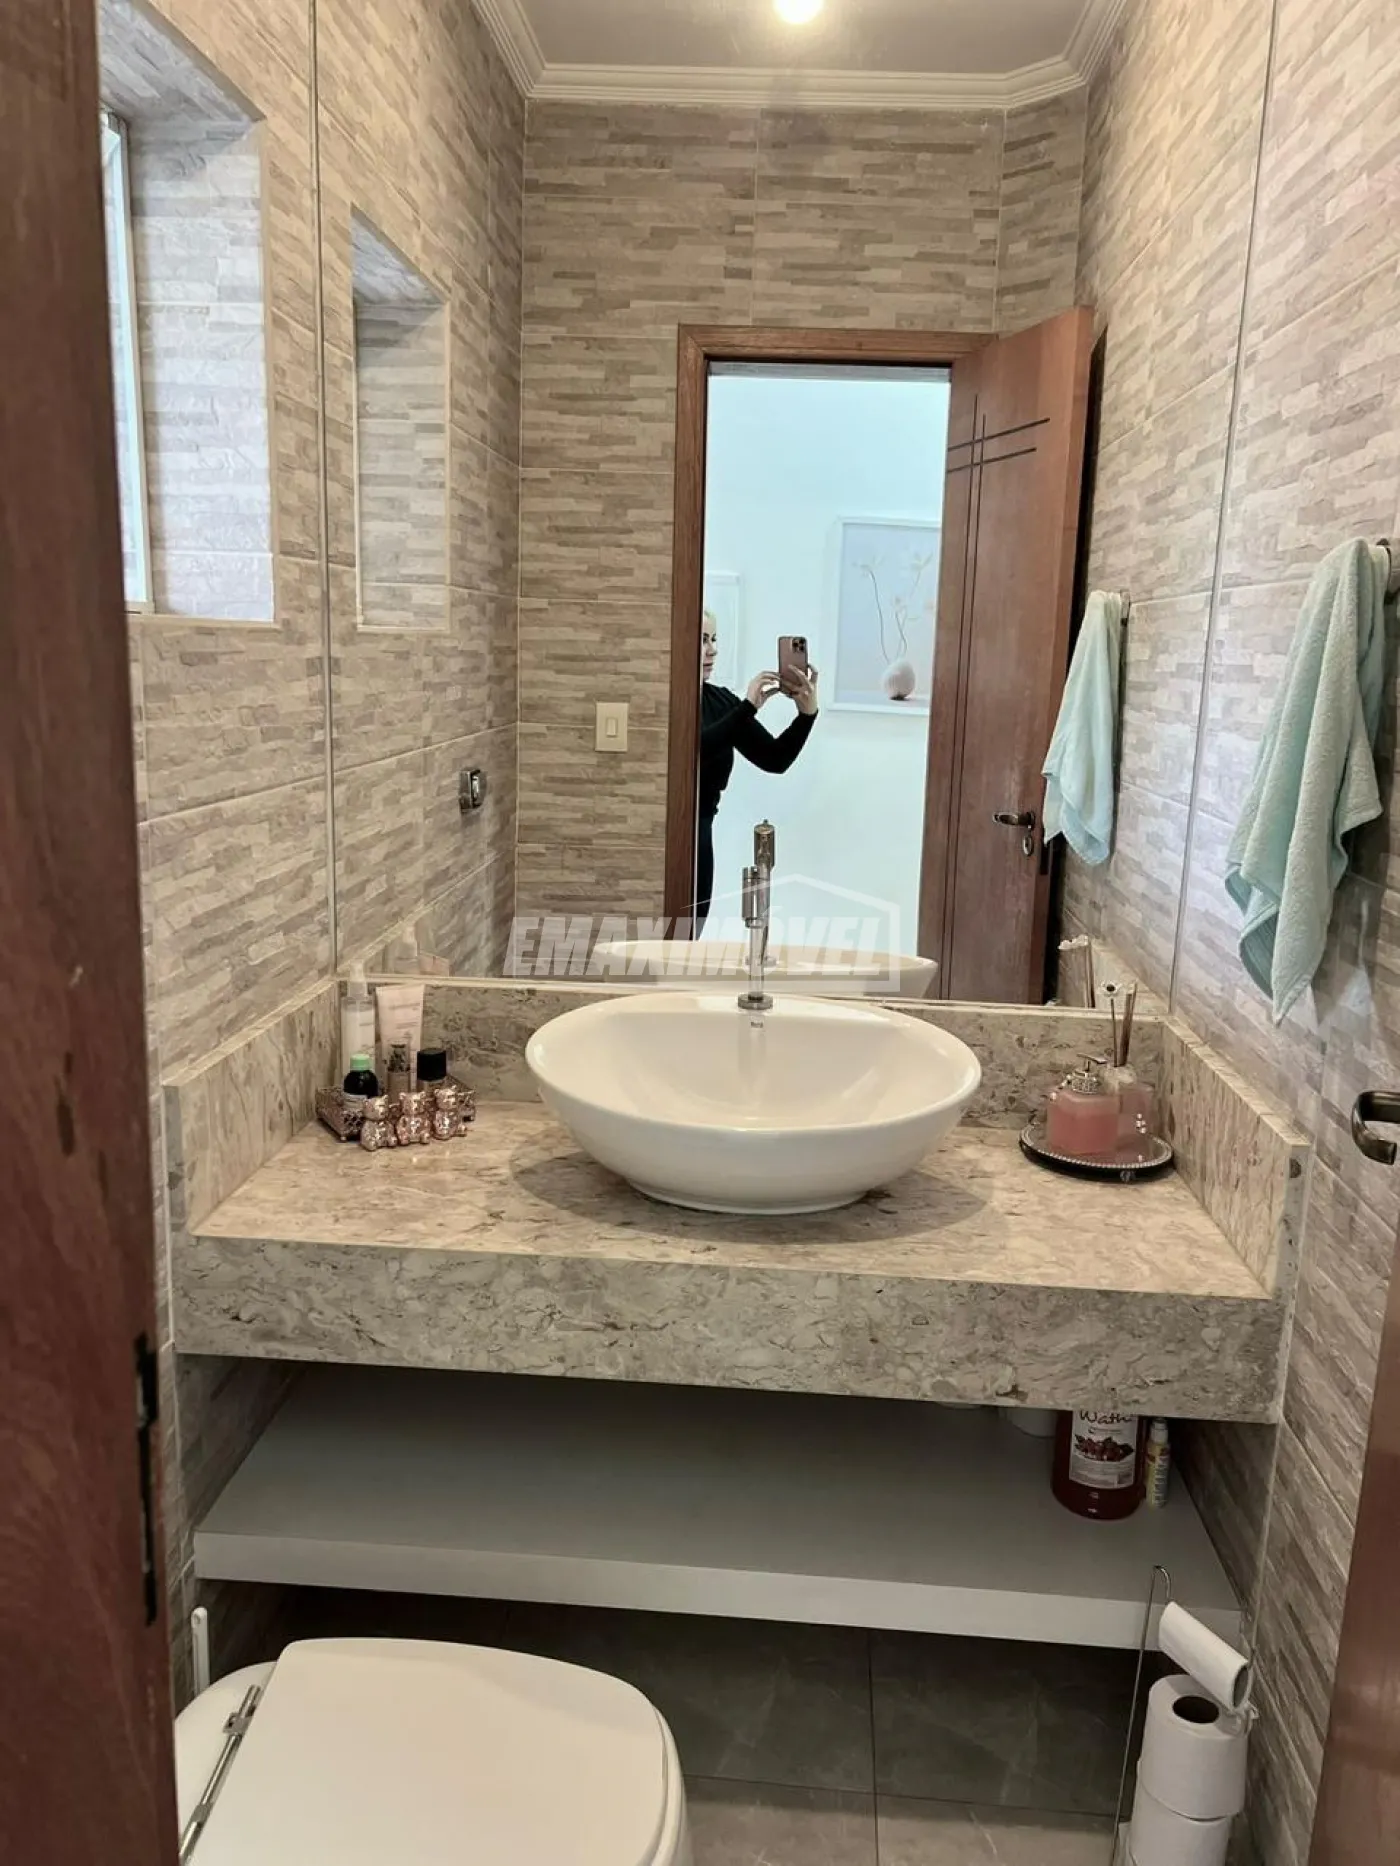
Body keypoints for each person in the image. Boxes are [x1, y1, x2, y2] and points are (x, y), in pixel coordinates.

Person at [692, 610, 819, 934]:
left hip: (702, 834)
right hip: (672, 834)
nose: (712, 650)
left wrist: (806, 716)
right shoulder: (671, 702)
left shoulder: (721, 702)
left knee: (689, 933)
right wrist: (747, 708)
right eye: (703, 640)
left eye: (714, 639)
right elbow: (694, 752)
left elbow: (775, 759)